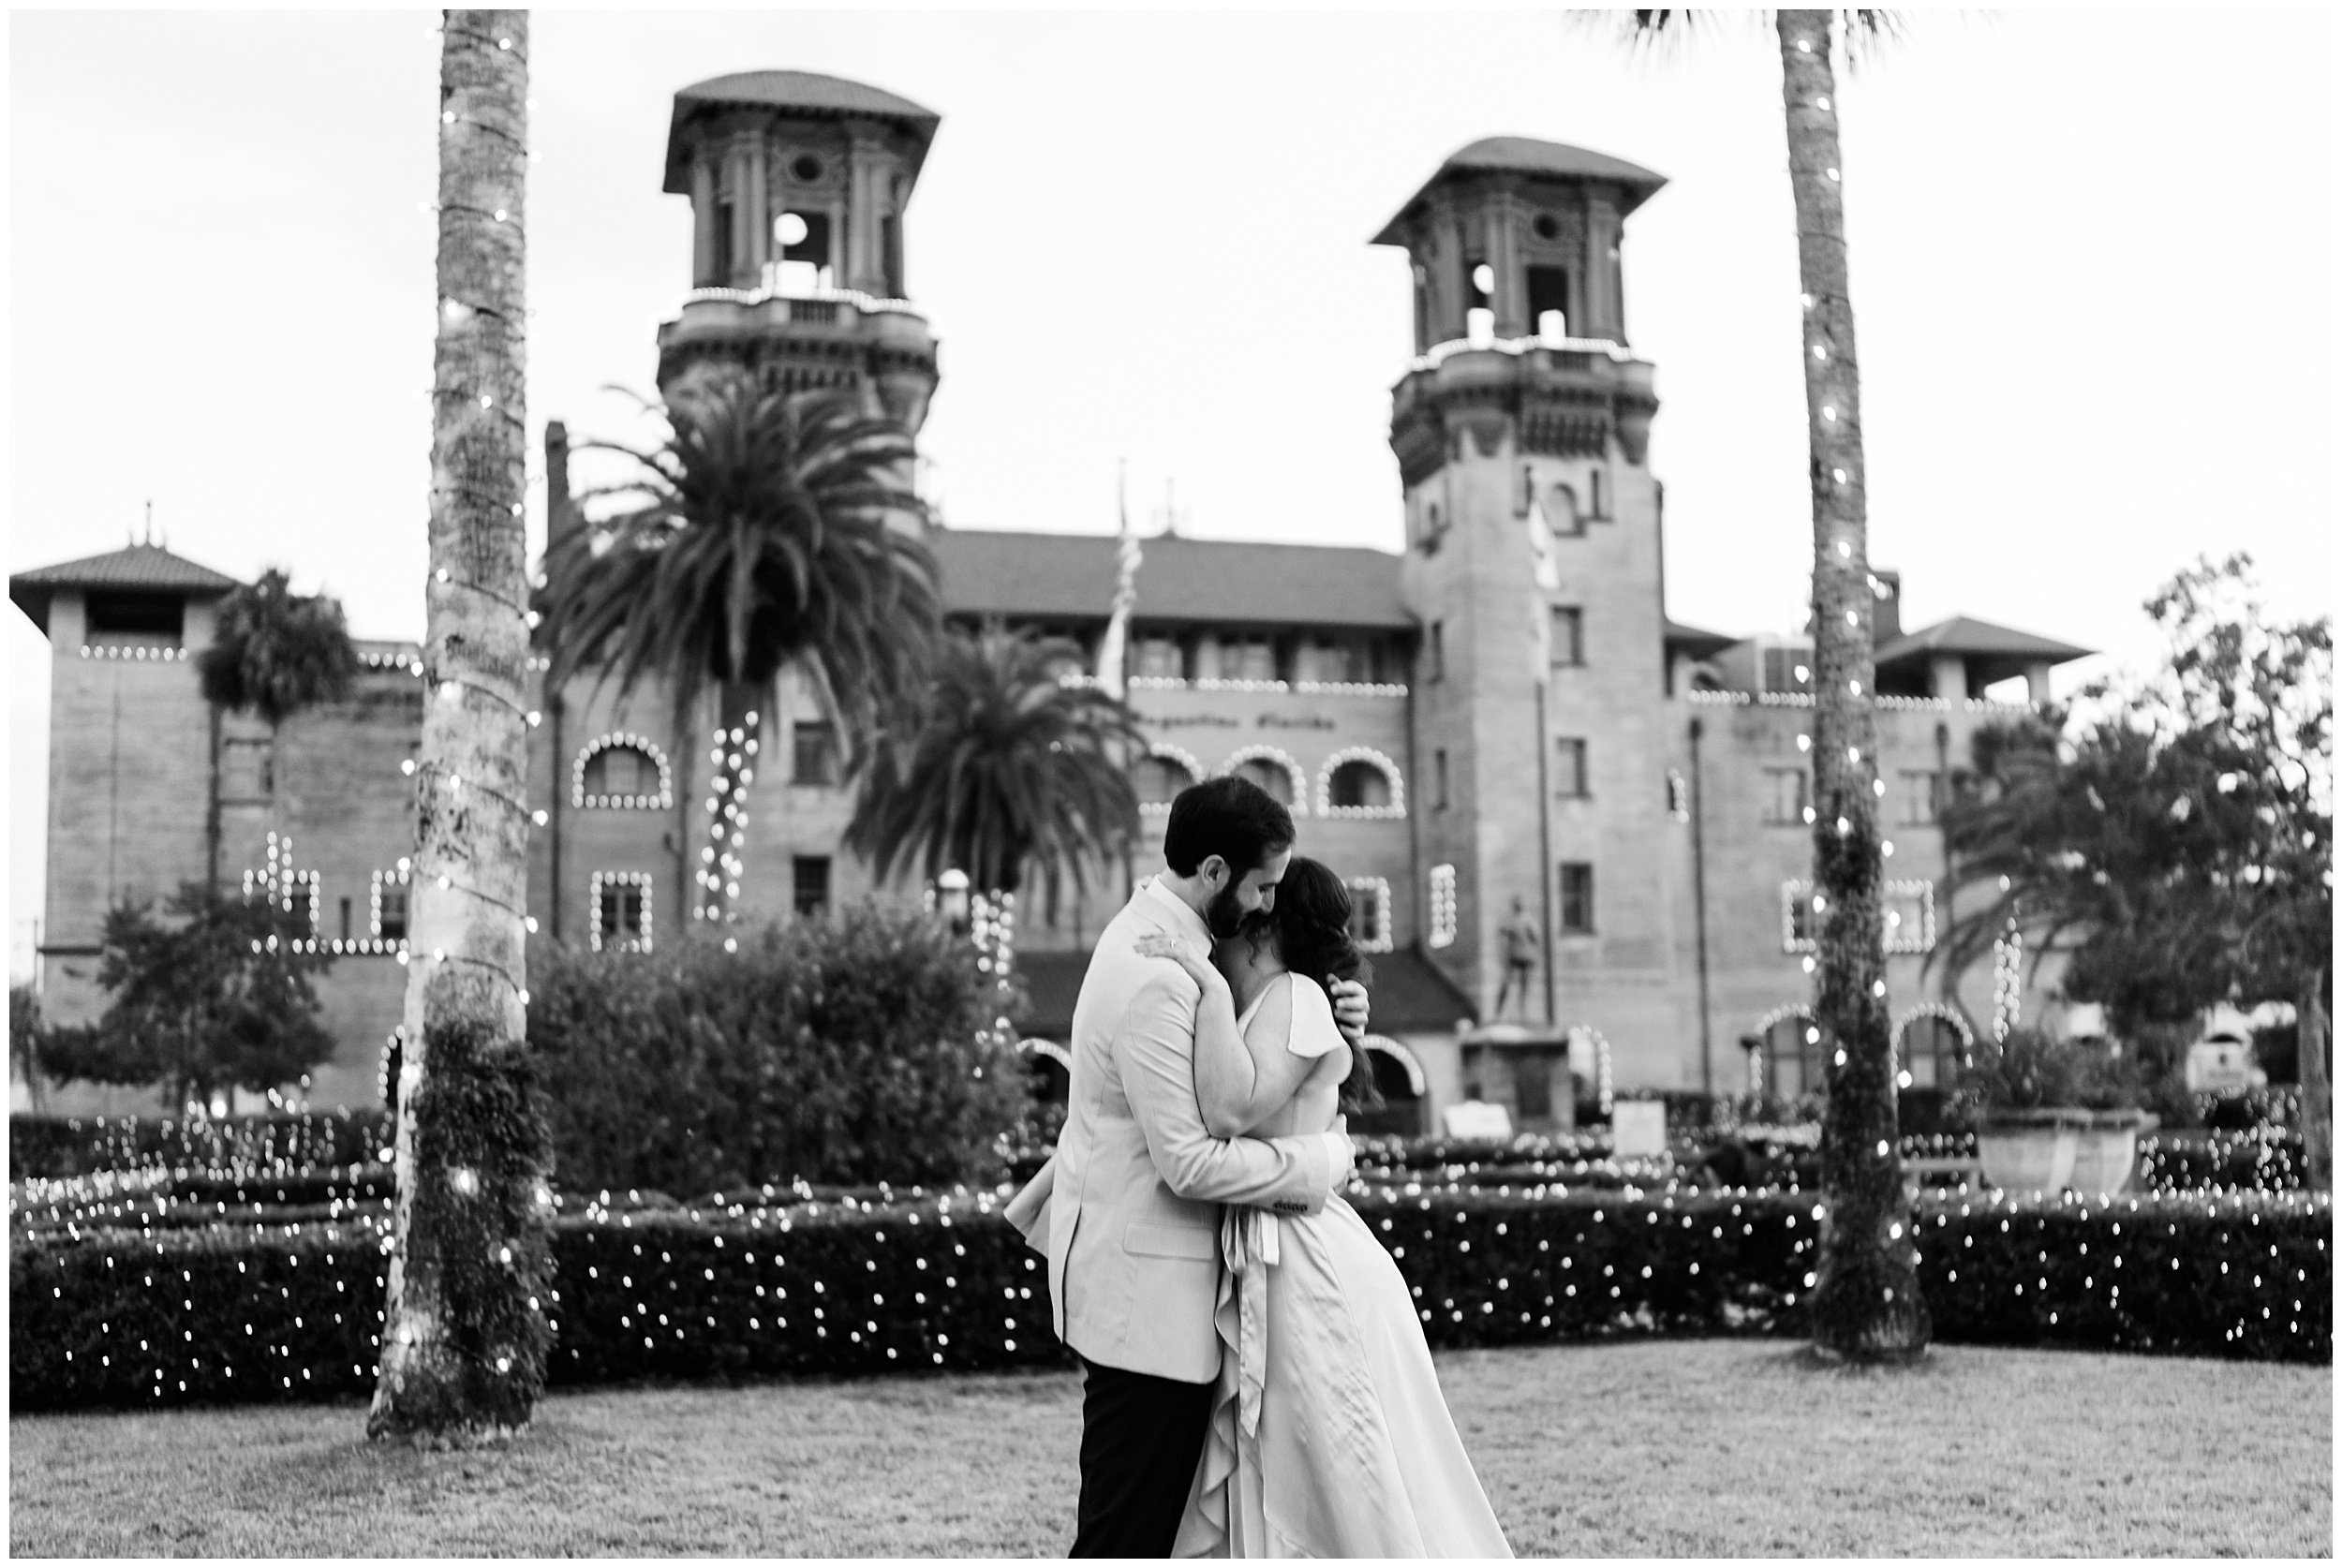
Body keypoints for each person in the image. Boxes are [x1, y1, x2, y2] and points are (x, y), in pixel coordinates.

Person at [1001, 776, 1372, 1558]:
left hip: (1154, 1291)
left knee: (1143, 1530)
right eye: (1263, 886)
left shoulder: (1167, 942)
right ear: (1212, 873)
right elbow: (1191, 1165)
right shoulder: (1161, 975)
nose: (1271, 906)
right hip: (1148, 1303)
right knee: (1124, 1538)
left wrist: (1328, 1006)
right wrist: (1323, 1158)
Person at [1139, 857, 1511, 1558]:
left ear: (1263, 926)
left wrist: (1209, 989)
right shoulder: (1286, 999)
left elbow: (1228, 1109)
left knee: (1338, 1468)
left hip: (1307, 1264)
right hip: (1282, 1248)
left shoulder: (1293, 998)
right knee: (1298, 1463)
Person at [1495, 895, 1539, 1022]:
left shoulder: (1528, 920)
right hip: (1513, 956)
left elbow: (1536, 937)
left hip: (1525, 956)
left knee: (1524, 985)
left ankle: (1523, 1012)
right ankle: (1500, 1013)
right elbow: (1502, 932)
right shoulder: (1511, 919)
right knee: (1506, 984)